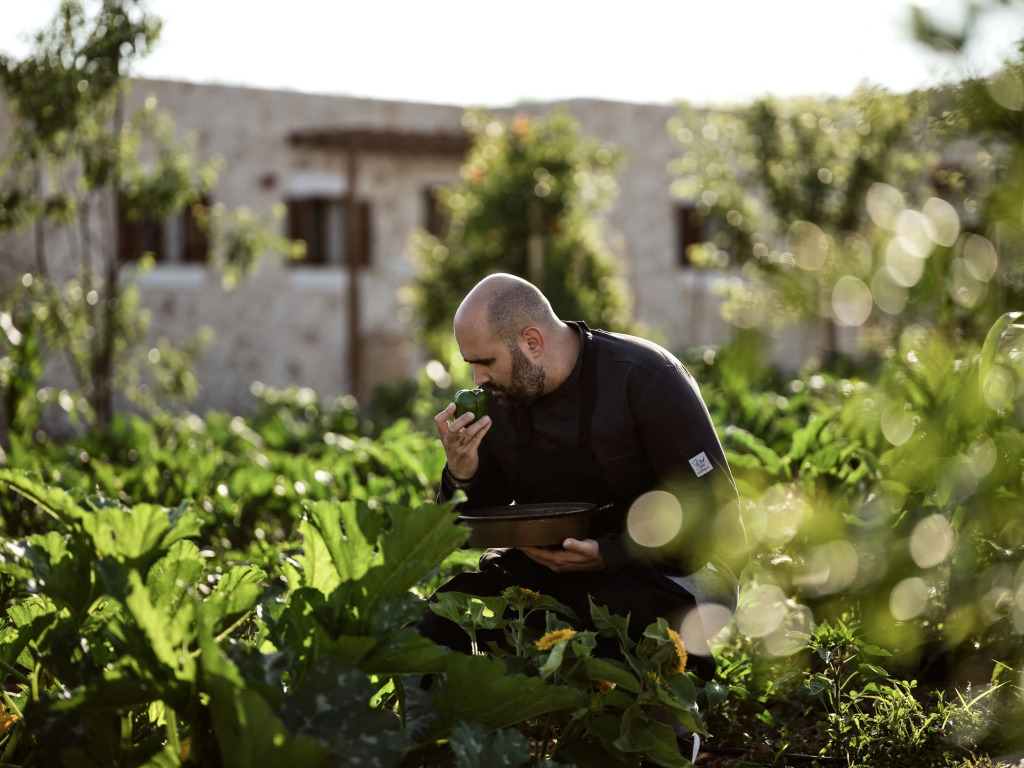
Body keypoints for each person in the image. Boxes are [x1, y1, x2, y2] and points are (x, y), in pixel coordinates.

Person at [417, 273, 746, 679]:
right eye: (472, 365)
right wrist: (461, 474)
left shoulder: (645, 376)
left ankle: (679, 710)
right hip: (555, 572)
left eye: (485, 362)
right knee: (437, 625)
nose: (478, 380)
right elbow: (468, 529)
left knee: (611, 624)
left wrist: (611, 553)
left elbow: (710, 510)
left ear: (532, 342)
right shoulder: (500, 397)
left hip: (675, 566)